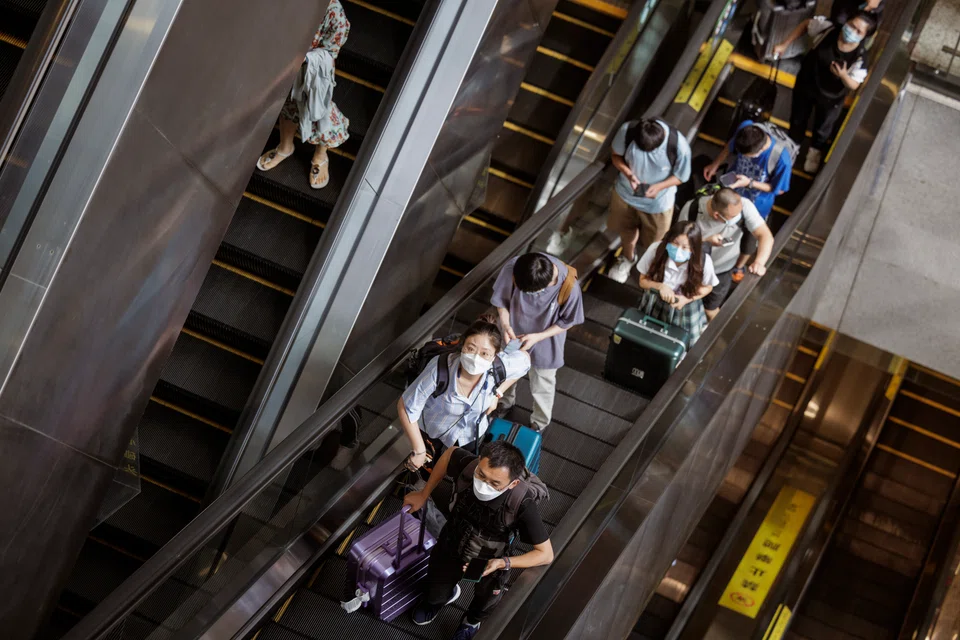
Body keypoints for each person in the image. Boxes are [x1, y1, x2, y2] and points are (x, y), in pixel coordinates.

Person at [404, 440, 553, 640]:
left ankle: (471, 622)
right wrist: (424, 493)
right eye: (481, 475)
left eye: (494, 483)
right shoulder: (470, 466)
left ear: (513, 483)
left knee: (485, 600)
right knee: (435, 589)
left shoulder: (521, 503)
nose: (484, 485)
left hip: (491, 557)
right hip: (453, 540)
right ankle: (439, 599)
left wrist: (503, 563)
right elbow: (450, 454)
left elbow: (545, 554)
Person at [398, 320, 529, 473]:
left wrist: (497, 393)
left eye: (485, 353)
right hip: (432, 431)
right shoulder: (440, 369)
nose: (476, 358)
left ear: (495, 356)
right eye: (470, 349)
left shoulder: (496, 369)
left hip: (470, 435)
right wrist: (419, 449)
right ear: (463, 346)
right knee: (427, 469)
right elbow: (407, 406)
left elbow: (525, 361)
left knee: (461, 469)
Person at [256, 0, 351, 189]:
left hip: (314, 75)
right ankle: (285, 147)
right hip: (288, 67)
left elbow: (332, 49)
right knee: (288, 106)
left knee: (320, 114)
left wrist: (305, 56)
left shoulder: (335, 13)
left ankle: (320, 156)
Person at [491, 252, 584, 432]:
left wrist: (538, 336)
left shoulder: (569, 286)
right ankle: (504, 402)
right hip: (512, 332)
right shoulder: (515, 267)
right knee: (504, 371)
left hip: (546, 341)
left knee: (543, 383)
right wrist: (504, 323)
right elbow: (501, 300)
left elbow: (567, 321)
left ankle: (539, 423)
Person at [774, 12, 874, 174]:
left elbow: (854, 84)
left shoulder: (860, 57)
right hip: (807, 83)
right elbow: (806, 24)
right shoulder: (828, 29)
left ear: (864, 37)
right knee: (798, 118)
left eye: (858, 31)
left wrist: (843, 75)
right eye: (852, 25)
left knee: (823, 127)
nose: (852, 31)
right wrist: (784, 45)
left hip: (831, 97)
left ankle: (814, 152)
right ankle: (792, 148)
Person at [598, 119, 693, 282]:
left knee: (656, 243)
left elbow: (681, 176)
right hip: (625, 195)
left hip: (658, 204)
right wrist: (628, 174)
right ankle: (628, 259)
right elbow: (616, 156)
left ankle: (653, 270)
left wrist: (659, 187)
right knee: (626, 231)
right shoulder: (628, 130)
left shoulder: (679, 146)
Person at [680, 188, 774, 320]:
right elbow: (678, 243)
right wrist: (706, 240)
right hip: (694, 268)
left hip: (722, 269)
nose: (738, 217)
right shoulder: (692, 209)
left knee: (711, 309)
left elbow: (765, 235)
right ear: (717, 215)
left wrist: (759, 262)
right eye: (733, 217)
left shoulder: (743, 205)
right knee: (685, 301)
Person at [635, 221, 719, 344]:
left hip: (685, 306)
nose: (678, 250)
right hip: (655, 301)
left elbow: (707, 287)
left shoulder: (703, 262)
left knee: (683, 341)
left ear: (694, 248)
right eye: (675, 243)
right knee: (648, 336)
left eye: (685, 247)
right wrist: (659, 286)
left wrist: (686, 299)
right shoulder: (656, 250)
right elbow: (642, 281)